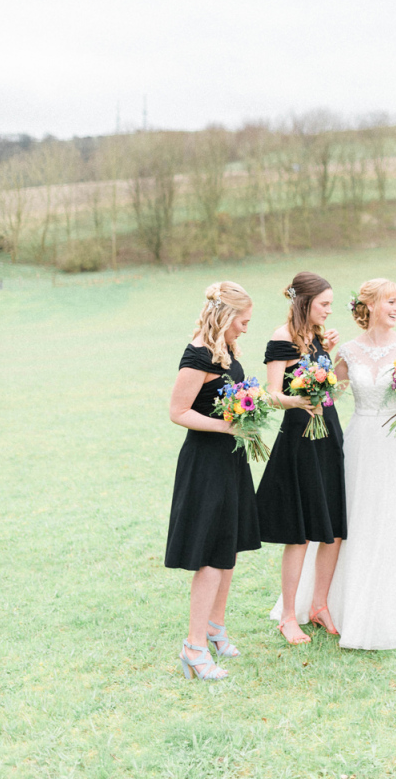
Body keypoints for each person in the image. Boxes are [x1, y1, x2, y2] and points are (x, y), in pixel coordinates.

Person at [280, 278, 396, 649]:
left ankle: (395, 602)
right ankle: (331, 601)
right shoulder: (347, 351)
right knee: (357, 517)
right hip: (359, 441)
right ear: (370, 305)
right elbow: (327, 391)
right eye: (390, 302)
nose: (395, 309)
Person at [165, 281, 261, 680]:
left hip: (231, 461)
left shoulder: (227, 351)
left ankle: (215, 628)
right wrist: (226, 428)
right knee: (208, 555)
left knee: (228, 547)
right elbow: (177, 411)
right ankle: (194, 647)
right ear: (224, 316)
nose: (245, 328)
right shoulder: (198, 355)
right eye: (242, 320)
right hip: (206, 462)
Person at [256, 271, 346, 644]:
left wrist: (338, 366)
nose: (329, 310)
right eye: (324, 304)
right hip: (299, 437)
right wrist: (299, 400)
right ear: (304, 302)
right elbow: (270, 393)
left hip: (329, 434)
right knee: (300, 534)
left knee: (334, 530)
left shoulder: (318, 337)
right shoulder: (282, 337)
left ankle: (320, 605)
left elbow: (332, 394)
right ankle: (289, 616)